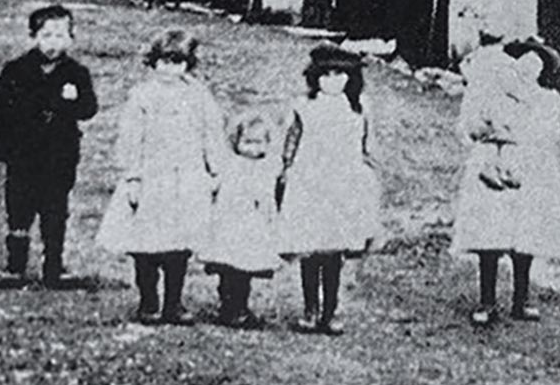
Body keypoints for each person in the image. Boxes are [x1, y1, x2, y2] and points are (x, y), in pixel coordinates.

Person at [96, 29, 225, 325]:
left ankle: (173, 303)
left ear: (188, 64)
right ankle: (148, 301)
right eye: (163, 62)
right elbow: (131, 139)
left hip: (187, 179)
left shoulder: (198, 95)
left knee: (178, 247)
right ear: (153, 62)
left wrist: (215, 169)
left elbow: (211, 133)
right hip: (153, 180)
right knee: (145, 247)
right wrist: (133, 178)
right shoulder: (143, 95)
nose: (169, 69)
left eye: (177, 62)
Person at [452, 38, 560, 326]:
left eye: (537, 64)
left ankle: (522, 298)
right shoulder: (491, 93)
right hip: (490, 163)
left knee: (523, 235)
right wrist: (489, 131)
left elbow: (548, 134)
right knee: (490, 233)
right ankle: (487, 300)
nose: (530, 67)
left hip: (527, 166)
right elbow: (469, 126)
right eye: (525, 60)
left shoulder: (546, 99)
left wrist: (515, 135)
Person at [0, 4, 99, 288]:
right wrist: (3, 144)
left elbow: (89, 109)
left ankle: (54, 266)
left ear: (71, 38)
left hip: (59, 155)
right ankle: (15, 266)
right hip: (22, 155)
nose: (53, 43)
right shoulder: (16, 71)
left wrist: (73, 100)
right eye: (46, 36)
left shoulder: (76, 73)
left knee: (55, 209)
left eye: (60, 36)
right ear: (33, 36)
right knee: (19, 208)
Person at [278, 45, 382, 335]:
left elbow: (367, 144)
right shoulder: (304, 105)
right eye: (326, 74)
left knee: (334, 252)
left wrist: (369, 173)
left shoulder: (359, 106)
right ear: (315, 76)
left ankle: (330, 312)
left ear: (351, 78)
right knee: (310, 249)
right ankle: (310, 309)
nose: (332, 80)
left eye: (340, 74)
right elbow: (291, 140)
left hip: (343, 183)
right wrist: (285, 169)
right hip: (310, 181)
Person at [199, 109, 288, 329]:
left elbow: (270, 195)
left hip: (252, 226)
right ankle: (228, 306)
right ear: (236, 141)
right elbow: (214, 186)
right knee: (228, 269)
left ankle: (240, 307)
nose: (253, 148)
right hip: (230, 225)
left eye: (259, 143)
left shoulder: (267, 167)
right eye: (247, 142)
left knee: (245, 271)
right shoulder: (230, 165)